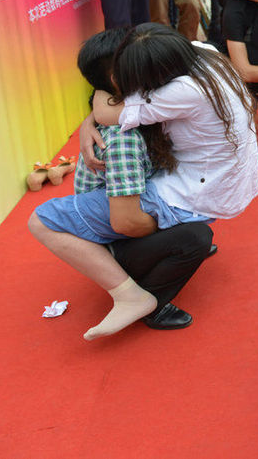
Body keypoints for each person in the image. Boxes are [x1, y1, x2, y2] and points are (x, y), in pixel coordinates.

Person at [30, 24, 258, 340]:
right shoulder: (202, 54)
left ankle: (129, 293)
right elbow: (106, 112)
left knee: (40, 221)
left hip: (197, 192)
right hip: (222, 185)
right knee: (183, 234)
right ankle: (165, 247)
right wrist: (90, 120)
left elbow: (126, 222)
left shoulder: (177, 95)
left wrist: (92, 117)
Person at [53, 28, 216, 330]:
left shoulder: (134, 106)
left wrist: (92, 116)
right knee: (196, 236)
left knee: (194, 207)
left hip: (132, 208)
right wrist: (178, 219)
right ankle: (148, 302)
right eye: (139, 60)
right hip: (116, 237)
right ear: (120, 77)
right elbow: (125, 223)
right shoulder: (123, 139)